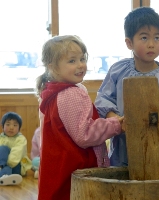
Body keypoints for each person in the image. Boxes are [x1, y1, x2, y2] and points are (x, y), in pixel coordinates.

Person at [35, 35, 124, 200]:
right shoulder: (71, 94)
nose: (80, 65)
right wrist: (116, 124)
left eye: (82, 58)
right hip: (76, 169)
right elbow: (85, 134)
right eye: (72, 61)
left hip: (59, 167)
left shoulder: (50, 93)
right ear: (52, 67)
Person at [94, 7, 159, 167]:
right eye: (144, 38)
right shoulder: (118, 71)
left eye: (157, 38)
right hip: (123, 146)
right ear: (129, 43)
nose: (151, 44)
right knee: (124, 185)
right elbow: (103, 99)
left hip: (157, 147)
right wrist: (116, 120)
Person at [0, 112, 32, 185]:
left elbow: (16, 153)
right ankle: (4, 175)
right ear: (2, 127)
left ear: (19, 128)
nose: (11, 127)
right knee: (2, 149)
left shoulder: (21, 139)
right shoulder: (1, 138)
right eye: (8, 124)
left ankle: (4, 175)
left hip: (16, 166)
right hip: (2, 166)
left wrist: (7, 165)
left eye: (15, 125)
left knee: (3, 149)